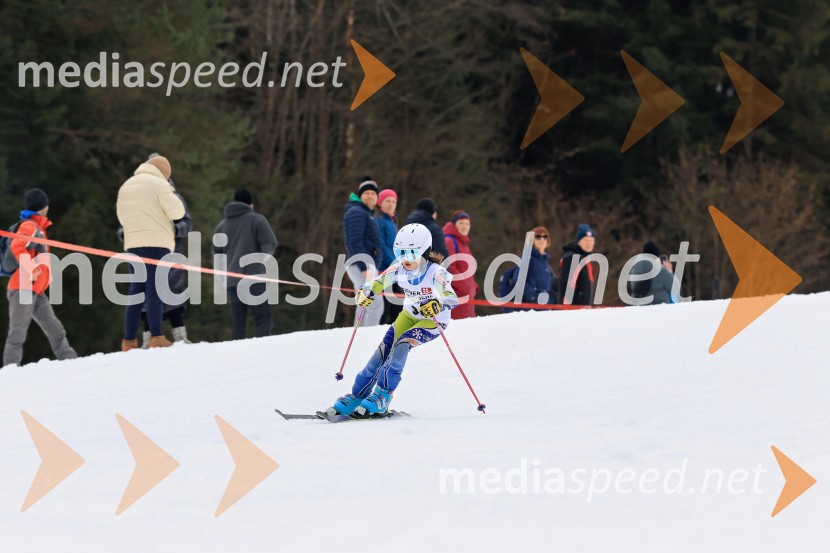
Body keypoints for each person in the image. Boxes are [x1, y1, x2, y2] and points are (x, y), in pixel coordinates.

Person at [326, 223, 458, 418]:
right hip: (409, 315)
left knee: (402, 345)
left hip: (433, 321)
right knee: (382, 351)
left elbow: (451, 297)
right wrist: (366, 291)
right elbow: (377, 282)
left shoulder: (435, 272)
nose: (405, 258)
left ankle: (382, 396)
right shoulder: (399, 269)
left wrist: (438, 305)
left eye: (411, 254)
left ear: (424, 251)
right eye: (400, 252)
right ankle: (357, 396)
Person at [117, 154, 186, 351]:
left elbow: (122, 216)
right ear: (164, 173)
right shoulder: (160, 184)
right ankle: (157, 336)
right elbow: (178, 212)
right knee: (155, 289)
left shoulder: (127, 185)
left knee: (136, 291)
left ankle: (129, 341)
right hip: (157, 243)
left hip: (133, 244)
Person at [2, 189, 78, 366]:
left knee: (55, 329)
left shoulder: (38, 227)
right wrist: (31, 268)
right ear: (44, 207)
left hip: (36, 289)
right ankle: (9, 372)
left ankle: (71, 363)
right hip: (23, 287)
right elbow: (17, 246)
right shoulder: (30, 226)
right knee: (17, 334)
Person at [213, 188, 279, 340]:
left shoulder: (222, 226)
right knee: (263, 319)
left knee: (238, 323)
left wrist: (223, 280)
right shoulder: (257, 220)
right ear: (250, 204)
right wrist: (259, 262)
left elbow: (218, 255)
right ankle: (262, 352)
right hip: (253, 278)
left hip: (231, 281)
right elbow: (270, 244)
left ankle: (238, 357)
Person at [343, 177, 384, 326]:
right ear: (360, 195)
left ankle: (358, 337)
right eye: (366, 193)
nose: (370, 196)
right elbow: (354, 242)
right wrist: (364, 267)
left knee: (365, 304)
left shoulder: (367, 213)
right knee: (375, 304)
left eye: (373, 194)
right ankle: (366, 339)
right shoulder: (357, 212)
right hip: (361, 264)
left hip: (368, 264)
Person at [498, 226, 557, 311]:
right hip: (530, 310)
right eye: (538, 237)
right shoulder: (527, 259)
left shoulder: (546, 264)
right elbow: (518, 280)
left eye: (545, 236)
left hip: (544, 309)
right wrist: (533, 296)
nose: (542, 239)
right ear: (532, 240)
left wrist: (551, 300)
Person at [442, 210, 479, 319]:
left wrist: (474, 286)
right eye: (461, 223)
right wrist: (466, 287)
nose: (464, 226)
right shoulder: (449, 240)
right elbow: (449, 267)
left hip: (467, 298)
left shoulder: (464, 244)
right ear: (454, 225)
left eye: (467, 224)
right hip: (455, 296)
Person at [375, 188, 402, 324]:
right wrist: (394, 263)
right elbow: (382, 245)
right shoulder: (379, 220)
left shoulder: (392, 221)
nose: (391, 204)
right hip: (385, 269)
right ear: (380, 203)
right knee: (386, 307)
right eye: (387, 201)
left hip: (396, 269)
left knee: (398, 305)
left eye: (393, 201)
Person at [559, 223, 596, 306]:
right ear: (578, 241)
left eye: (591, 240)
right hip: (573, 309)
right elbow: (565, 286)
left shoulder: (585, 260)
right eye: (586, 240)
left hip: (582, 309)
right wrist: (578, 303)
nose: (589, 244)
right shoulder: (572, 258)